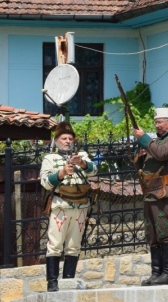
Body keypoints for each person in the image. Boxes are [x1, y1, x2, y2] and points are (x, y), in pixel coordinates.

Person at [39, 122, 97, 292]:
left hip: (80, 206)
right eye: (63, 138)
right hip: (61, 206)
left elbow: (94, 171)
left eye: (70, 138)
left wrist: (83, 164)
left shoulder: (82, 155)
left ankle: (68, 281)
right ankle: (52, 282)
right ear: (56, 141)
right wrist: (62, 173)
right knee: (55, 244)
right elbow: (45, 183)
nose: (67, 141)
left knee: (74, 245)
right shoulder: (49, 159)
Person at [134, 107, 168, 286]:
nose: (156, 125)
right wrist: (140, 156)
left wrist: (144, 139)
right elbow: (146, 166)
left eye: (160, 122)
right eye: (156, 122)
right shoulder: (157, 142)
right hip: (152, 192)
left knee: (167, 232)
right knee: (153, 234)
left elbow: (162, 153)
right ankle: (156, 273)